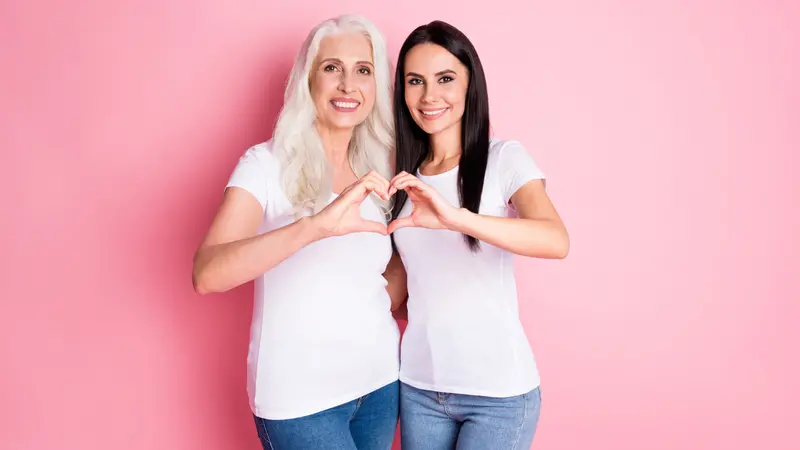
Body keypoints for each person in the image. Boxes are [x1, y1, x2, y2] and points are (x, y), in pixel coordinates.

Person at [192, 14, 406, 450]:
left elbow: (393, 263)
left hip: (380, 384)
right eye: (332, 68)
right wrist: (314, 228)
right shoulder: (265, 165)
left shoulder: (381, 169)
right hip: (300, 400)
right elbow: (208, 274)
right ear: (308, 79)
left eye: (363, 70)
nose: (348, 85)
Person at [387, 20, 570, 450]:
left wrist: (457, 218)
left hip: (499, 395)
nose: (429, 96)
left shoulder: (504, 158)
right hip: (419, 389)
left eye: (445, 79)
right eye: (416, 81)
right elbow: (399, 291)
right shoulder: (402, 179)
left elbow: (554, 239)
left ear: (471, 85)